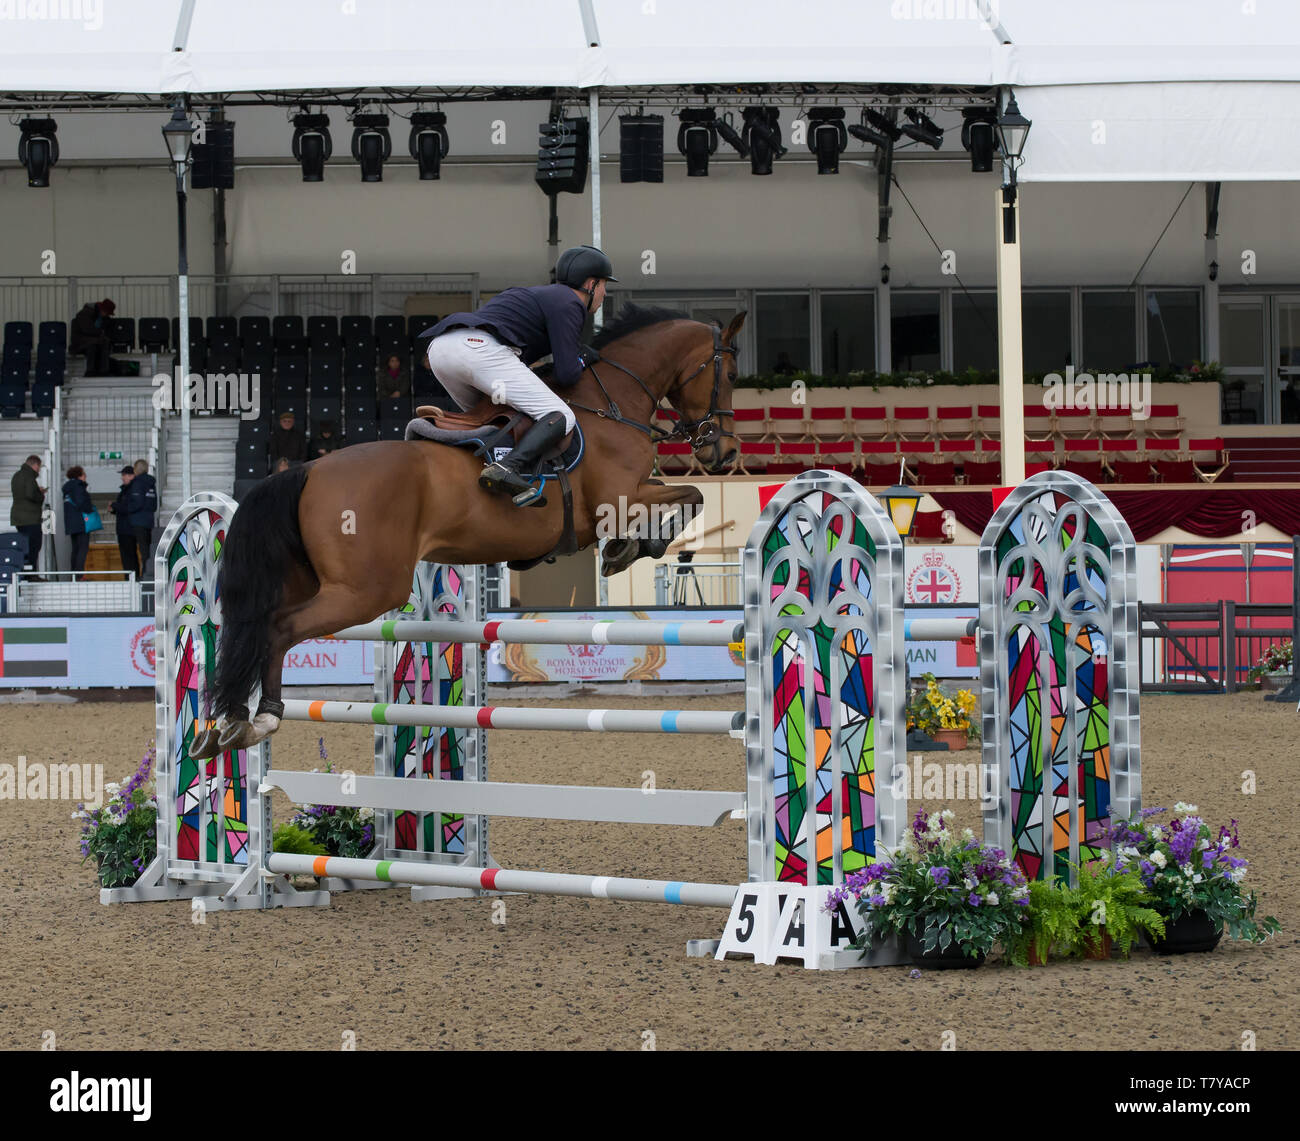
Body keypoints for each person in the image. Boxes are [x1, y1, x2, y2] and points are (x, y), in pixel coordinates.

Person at [418, 245, 616, 502]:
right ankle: (507, 468)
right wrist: (584, 358)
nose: (605, 293)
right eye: (604, 285)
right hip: (478, 350)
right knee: (561, 416)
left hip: (442, 350)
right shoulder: (569, 302)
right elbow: (568, 375)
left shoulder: (544, 296)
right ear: (591, 284)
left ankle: (473, 476)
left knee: (493, 418)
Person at [9, 455, 45, 573]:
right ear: (35, 465)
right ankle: (31, 574)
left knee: (24, 547)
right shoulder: (29, 477)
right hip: (30, 518)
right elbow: (30, 494)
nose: (39, 470)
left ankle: (25, 573)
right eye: (39, 467)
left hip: (18, 518)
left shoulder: (17, 475)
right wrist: (40, 494)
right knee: (34, 546)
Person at [125, 459, 158, 580]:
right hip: (149, 521)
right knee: (147, 550)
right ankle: (145, 572)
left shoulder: (137, 483)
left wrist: (127, 508)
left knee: (142, 551)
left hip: (138, 521)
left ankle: (144, 575)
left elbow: (137, 502)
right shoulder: (151, 483)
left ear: (136, 469)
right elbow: (154, 505)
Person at [62, 465, 94, 577]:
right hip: (81, 522)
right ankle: (79, 575)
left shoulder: (67, 488)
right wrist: (89, 508)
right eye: (84, 474)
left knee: (75, 549)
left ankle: (74, 574)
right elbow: (81, 503)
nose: (85, 476)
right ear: (79, 476)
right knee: (82, 548)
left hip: (71, 523)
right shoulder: (78, 486)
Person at [70, 297, 115, 376]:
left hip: (92, 340)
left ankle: (103, 370)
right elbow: (87, 330)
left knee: (104, 342)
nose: (107, 315)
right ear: (102, 310)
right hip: (80, 342)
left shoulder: (102, 317)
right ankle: (91, 371)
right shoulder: (84, 314)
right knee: (93, 345)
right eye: (107, 313)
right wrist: (101, 334)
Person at [109, 465, 136, 576]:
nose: (122, 477)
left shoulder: (132, 490)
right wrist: (113, 509)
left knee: (130, 554)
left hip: (129, 528)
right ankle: (128, 576)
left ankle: (133, 577)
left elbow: (127, 508)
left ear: (131, 476)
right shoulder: (124, 490)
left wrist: (114, 505)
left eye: (124, 475)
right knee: (125, 555)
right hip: (123, 528)